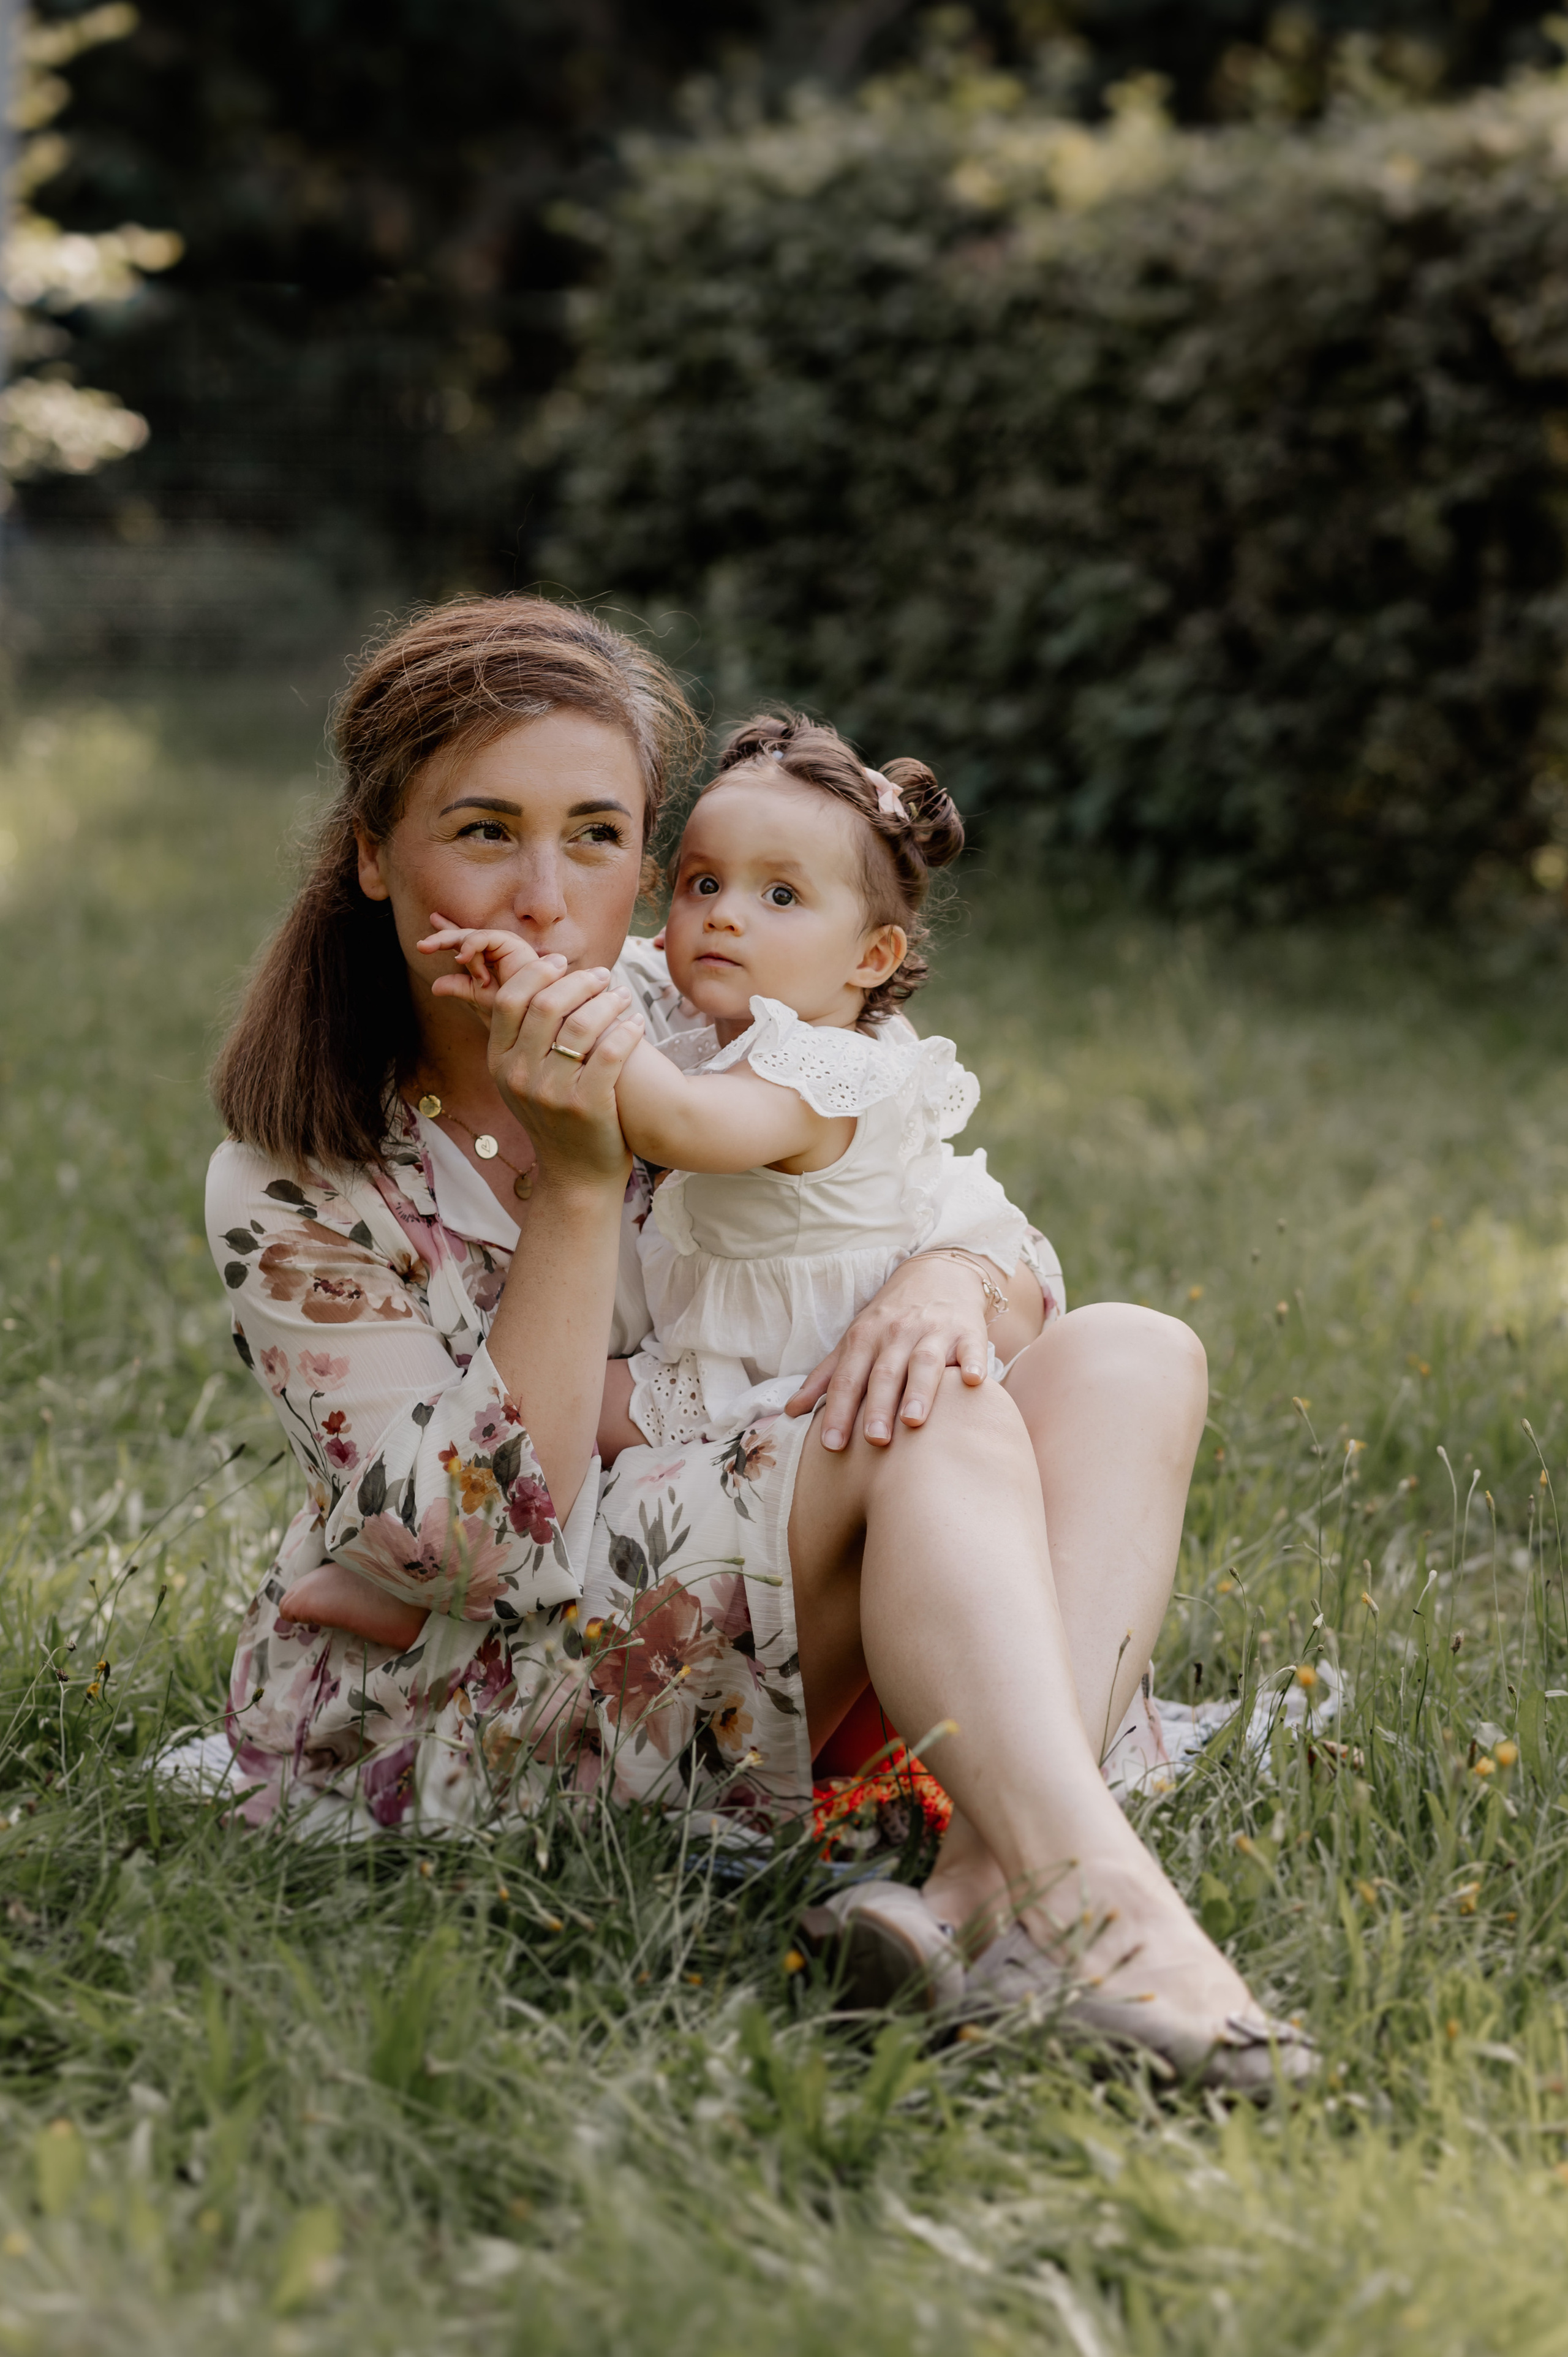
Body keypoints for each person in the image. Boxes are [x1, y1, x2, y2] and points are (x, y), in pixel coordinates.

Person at [207, 592, 1311, 2091]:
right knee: (931, 1418)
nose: (545, 898)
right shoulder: (300, 1171)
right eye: (483, 831)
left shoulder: (703, 1012)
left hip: (805, 1562)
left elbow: (981, 1229)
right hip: (500, 1681)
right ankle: (1106, 1911)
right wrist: (583, 1183)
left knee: (1129, 1350)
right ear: (368, 853)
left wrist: (945, 1283)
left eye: (597, 836)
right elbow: (478, 1555)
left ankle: (982, 1886)